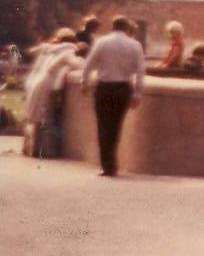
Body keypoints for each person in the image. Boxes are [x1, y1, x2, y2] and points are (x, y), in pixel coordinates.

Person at [79, 16, 147, 177]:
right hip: (123, 88)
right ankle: (112, 163)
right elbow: (140, 71)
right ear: (127, 28)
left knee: (103, 126)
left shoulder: (102, 42)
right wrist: (137, 93)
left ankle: (108, 166)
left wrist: (84, 81)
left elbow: (89, 63)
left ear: (113, 26)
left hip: (105, 87)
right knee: (116, 126)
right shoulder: (135, 45)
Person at [21, 29, 77, 158]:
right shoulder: (69, 51)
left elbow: (32, 53)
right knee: (45, 118)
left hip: (35, 81)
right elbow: (76, 63)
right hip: (47, 84)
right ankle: (43, 151)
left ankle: (30, 148)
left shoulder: (50, 51)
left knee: (33, 117)